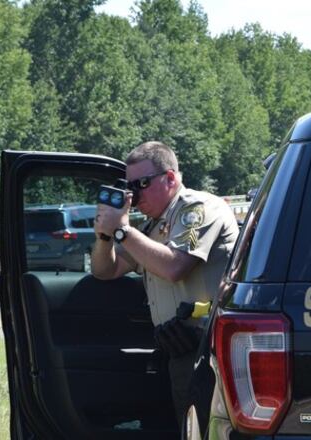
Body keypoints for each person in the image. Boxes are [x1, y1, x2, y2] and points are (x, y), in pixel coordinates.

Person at [91, 141, 239, 430]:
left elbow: (174, 267)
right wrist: (104, 236)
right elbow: (104, 270)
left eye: (141, 183)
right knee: (186, 428)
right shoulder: (149, 229)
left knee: (210, 430)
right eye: (129, 185)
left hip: (210, 350)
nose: (133, 194)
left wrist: (122, 230)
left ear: (170, 179)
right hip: (178, 347)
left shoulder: (197, 210)